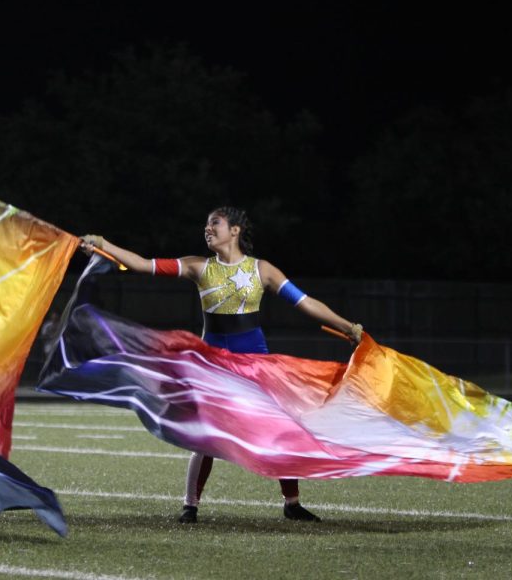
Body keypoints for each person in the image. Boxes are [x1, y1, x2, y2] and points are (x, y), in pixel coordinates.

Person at [81, 206, 363, 524]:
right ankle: (190, 506)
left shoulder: (262, 270)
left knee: (282, 428)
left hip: (255, 364)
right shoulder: (198, 267)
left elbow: (305, 302)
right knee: (207, 435)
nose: (208, 228)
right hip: (212, 365)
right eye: (206, 224)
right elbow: (143, 265)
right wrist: (103, 244)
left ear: (236, 230)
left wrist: (346, 326)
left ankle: (292, 503)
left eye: (215, 223)